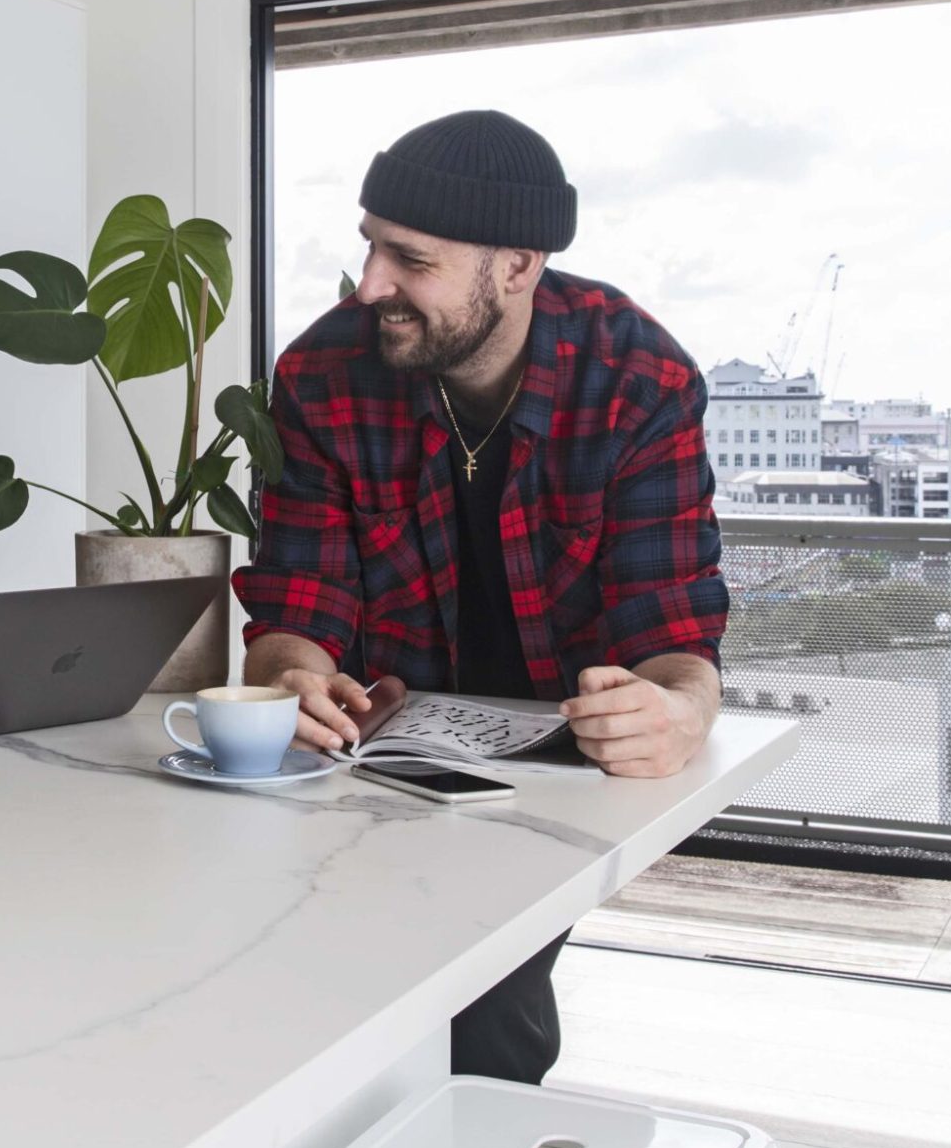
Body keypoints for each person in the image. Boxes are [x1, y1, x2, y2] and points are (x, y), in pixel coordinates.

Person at [234, 109, 727, 1085]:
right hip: (380, 763)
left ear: (518, 265)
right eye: (370, 247)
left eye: (409, 260)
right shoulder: (324, 371)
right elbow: (296, 608)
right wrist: (292, 678)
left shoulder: (637, 380)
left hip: (560, 765)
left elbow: (674, 639)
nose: (371, 284)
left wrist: (676, 712)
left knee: (483, 1006)